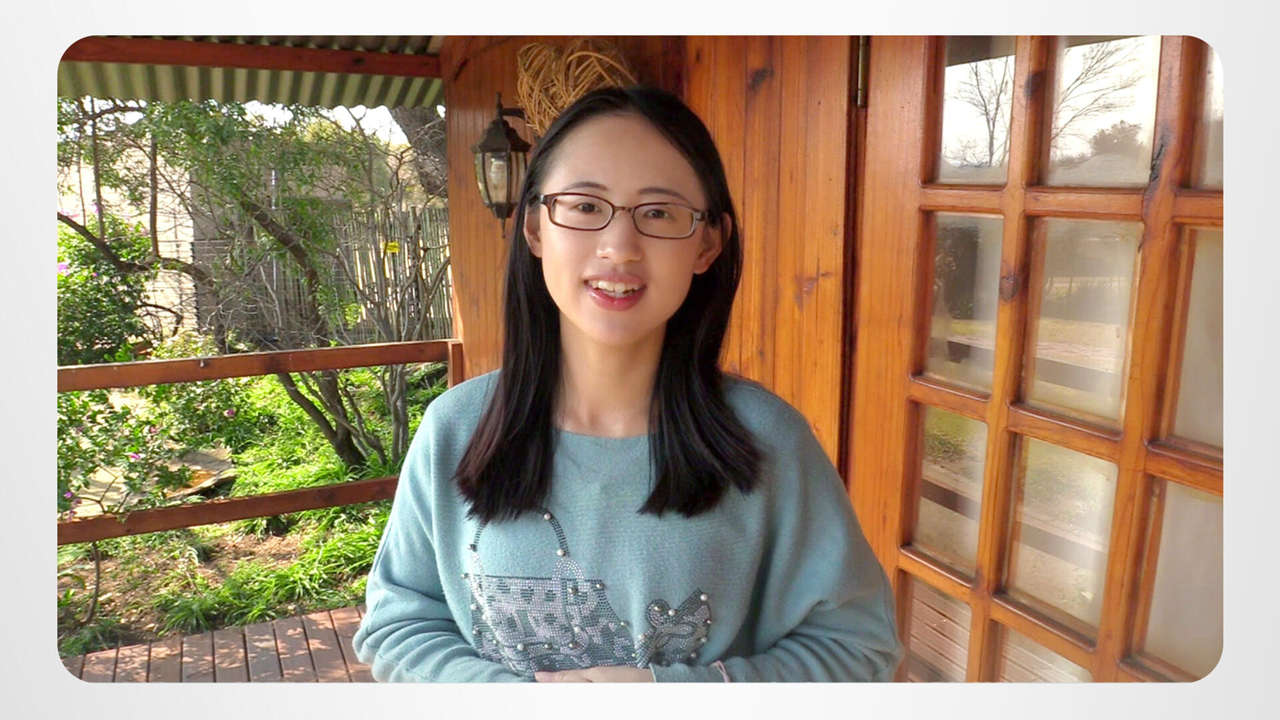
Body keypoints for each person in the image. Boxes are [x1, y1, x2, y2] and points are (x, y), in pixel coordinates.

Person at [352, 85, 902, 682]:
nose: (619, 248)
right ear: (534, 228)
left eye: (659, 213)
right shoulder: (456, 427)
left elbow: (858, 647)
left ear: (707, 243)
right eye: (585, 206)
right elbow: (398, 624)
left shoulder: (767, 441)